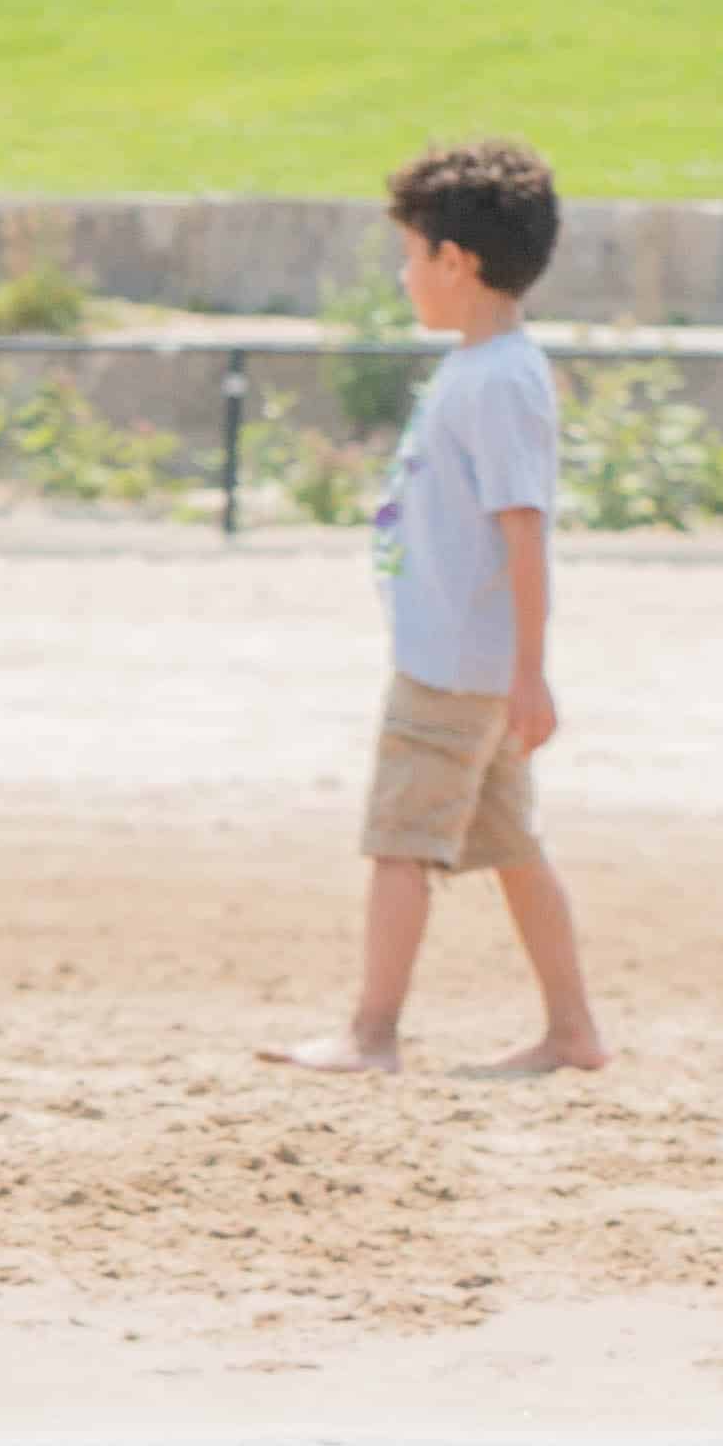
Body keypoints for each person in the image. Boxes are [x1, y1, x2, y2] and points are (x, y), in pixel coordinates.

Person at [263, 138, 608, 1081]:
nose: (405, 275)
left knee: (399, 846)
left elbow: (524, 529)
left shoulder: (496, 381)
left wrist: (531, 669)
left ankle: (372, 1033)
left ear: (458, 263)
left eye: (414, 255)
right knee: (512, 846)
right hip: (472, 663)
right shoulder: (486, 369)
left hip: (453, 667)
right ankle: (573, 1031)